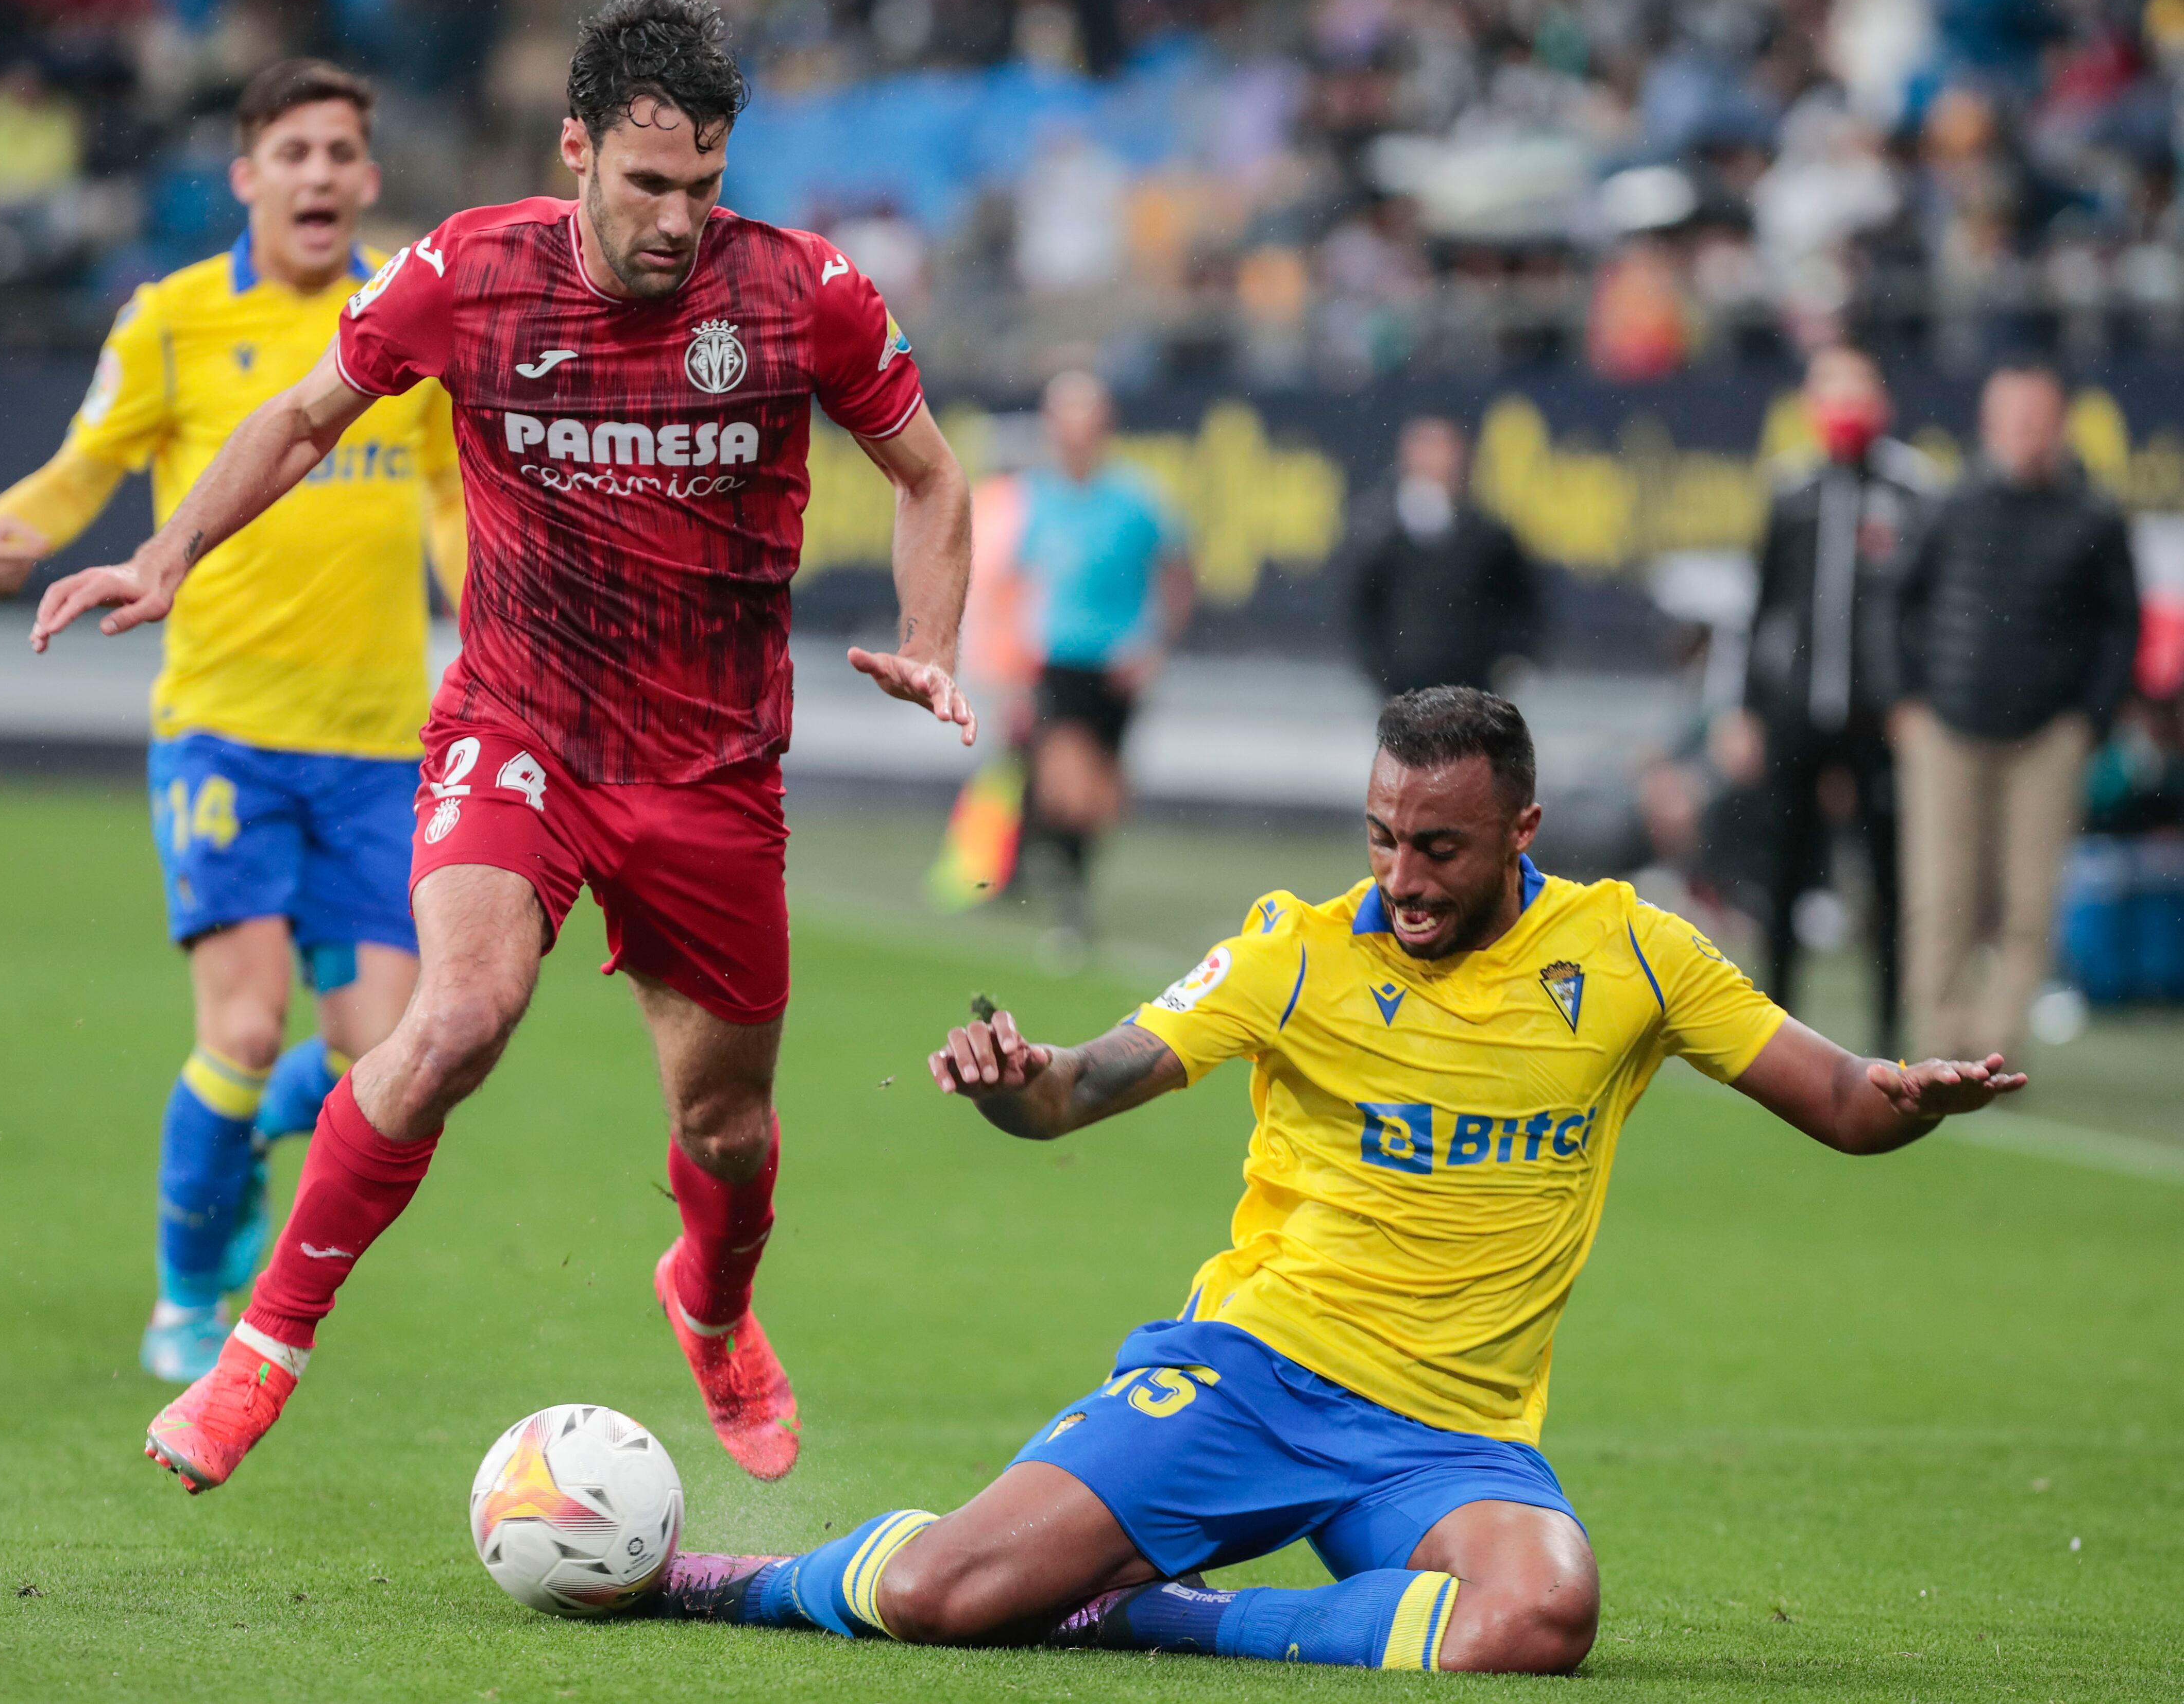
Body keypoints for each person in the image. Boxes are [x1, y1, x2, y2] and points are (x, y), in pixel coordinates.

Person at [28, 0, 975, 1489]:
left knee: (727, 1129)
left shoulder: (809, 296)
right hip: (518, 726)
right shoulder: (469, 271)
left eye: (704, 188)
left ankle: (712, 1306)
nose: (677, 222)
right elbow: (300, 418)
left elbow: (931, 478)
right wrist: (171, 556)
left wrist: (930, 645)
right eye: (647, 184)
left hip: (713, 767)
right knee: (461, 1013)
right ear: (576, 147)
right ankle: (255, 1351)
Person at [655, 686, 2023, 1675]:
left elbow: (1845, 1101)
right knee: (954, 1593)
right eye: (1382, 835)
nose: (1401, 876)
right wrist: (1018, 1074)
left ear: (1522, 827)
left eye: (1440, 846)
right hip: (1254, 1372)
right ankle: (725, 1578)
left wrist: (1914, 1099)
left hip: (1449, 1436)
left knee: (1539, 1617)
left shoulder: (1630, 954)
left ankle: (1152, 1611)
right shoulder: (1293, 953)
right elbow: (1081, 1085)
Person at [0, 59, 468, 1386]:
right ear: (247, 176)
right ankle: (188, 1298)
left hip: (377, 747)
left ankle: (231, 1155)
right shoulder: (173, 319)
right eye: (291, 152)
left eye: (340, 152)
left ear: (367, 177)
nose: (318, 174)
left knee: (384, 1062)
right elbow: (92, 464)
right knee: (240, 1032)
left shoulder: (408, 316)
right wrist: (13, 527)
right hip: (227, 730)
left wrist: (496, 633)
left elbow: (454, 505)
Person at [1892, 363, 2139, 1061]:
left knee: (2029, 903)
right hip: (1946, 729)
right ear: (1991, 424)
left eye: (2040, 419)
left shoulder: (2094, 515)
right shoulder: (1949, 505)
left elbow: (2120, 625)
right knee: (1943, 896)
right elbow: (1898, 604)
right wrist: (1905, 701)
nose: (2029, 434)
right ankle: (1940, 1042)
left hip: (2048, 736)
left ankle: (1997, 1047)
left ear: (2061, 425)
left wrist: (2089, 718)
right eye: (2016, 418)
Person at [1719, 345, 1934, 1053]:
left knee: (1889, 877)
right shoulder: (1792, 490)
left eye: (1856, 387)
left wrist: (1917, 696)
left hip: (1883, 717)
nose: (1843, 405)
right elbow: (1761, 609)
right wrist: (1747, 709)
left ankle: (1892, 1031)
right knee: (1782, 870)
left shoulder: (1915, 489)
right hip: (1796, 713)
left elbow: (1933, 610)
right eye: (1829, 389)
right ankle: (1774, 1031)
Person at [1009, 369, 1193, 951]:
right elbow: (1019, 583)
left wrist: (1153, 645)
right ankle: (1055, 873)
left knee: (1104, 799)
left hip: (1118, 663)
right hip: (1059, 657)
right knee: (1068, 778)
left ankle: (1064, 873)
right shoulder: (1036, 496)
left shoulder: (1137, 499)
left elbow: (1177, 575)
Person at [1342, 415, 1539, 698]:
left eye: (1441, 447)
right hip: (1403, 690)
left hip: (1474, 690)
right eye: (1422, 446)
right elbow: (1363, 611)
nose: (1432, 459)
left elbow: (1523, 606)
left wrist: (1512, 659)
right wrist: (1385, 674)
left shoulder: (1488, 536)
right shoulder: (1381, 533)